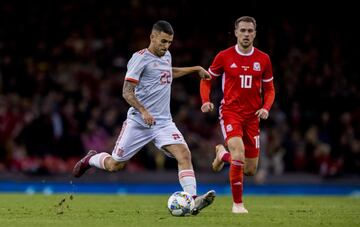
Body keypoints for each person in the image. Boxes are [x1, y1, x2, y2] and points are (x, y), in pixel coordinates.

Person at [73, 20, 215, 215]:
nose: (166, 47)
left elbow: (167, 73)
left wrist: (194, 69)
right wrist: (143, 111)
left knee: (184, 154)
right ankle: (91, 159)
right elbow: (126, 92)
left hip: (163, 123)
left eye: (170, 43)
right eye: (163, 41)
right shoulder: (139, 59)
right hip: (139, 122)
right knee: (116, 164)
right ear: (152, 37)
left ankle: (191, 201)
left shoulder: (167, 56)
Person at [200, 16, 275, 214]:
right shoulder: (224, 56)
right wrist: (206, 100)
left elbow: (270, 89)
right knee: (239, 154)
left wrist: (266, 107)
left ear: (255, 33)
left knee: (250, 170)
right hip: (231, 113)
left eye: (250, 31)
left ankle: (221, 154)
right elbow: (206, 80)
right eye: (242, 30)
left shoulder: (263, 59)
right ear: (235, 32)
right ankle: (238, 205)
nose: (246, 34)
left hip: (252, 117)